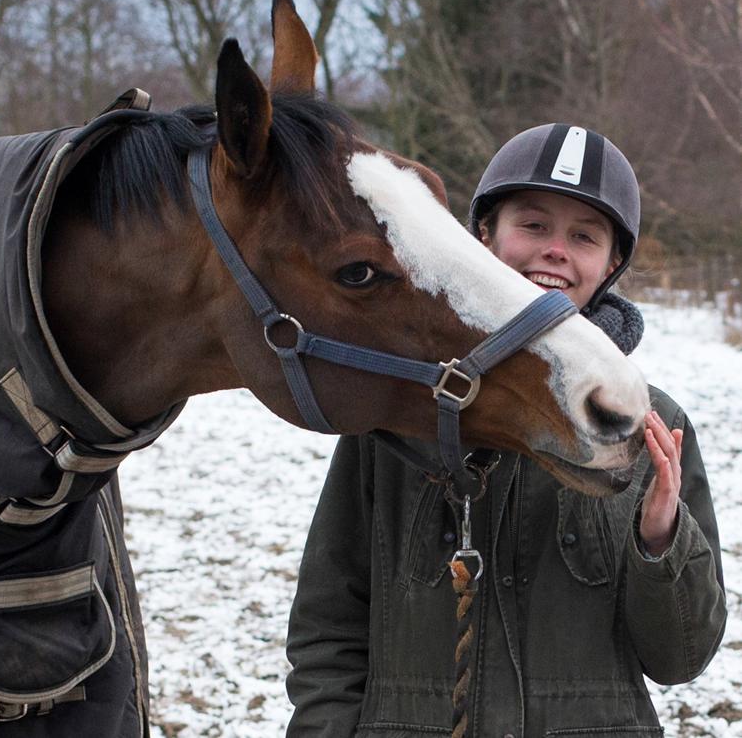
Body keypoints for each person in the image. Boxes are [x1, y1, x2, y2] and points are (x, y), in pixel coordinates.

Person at [285, 124, 727, 737]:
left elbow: (682, 659)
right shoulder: (400, 407)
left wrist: (660, 542)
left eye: (584, 236)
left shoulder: (649, 424)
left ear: (611, 264)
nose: (556, 250)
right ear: (484, 236)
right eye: (534, 225)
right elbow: (328, 629)